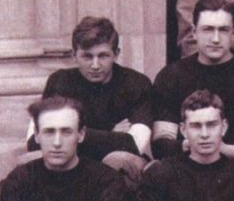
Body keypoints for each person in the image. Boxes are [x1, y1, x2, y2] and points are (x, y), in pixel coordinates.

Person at [152, 0, 234, 180]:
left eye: (223, 30)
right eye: (208, 29)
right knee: (155, 171)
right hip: (187, 158)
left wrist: (227, 150)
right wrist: (195, 147)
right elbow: (162, 143)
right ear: (194, 32)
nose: (216, 38)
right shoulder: (171, 75)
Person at [27, 16, 152, 186]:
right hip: (72, 162)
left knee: (117, 160)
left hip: (118, 166)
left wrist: (72, 134)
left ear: (116, 54)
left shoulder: (136, 83)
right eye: (87, 56)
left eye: (103, 56)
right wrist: (112, 133)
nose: (95, 65)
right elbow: (34, 141)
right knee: (32, 160)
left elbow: (133, 144)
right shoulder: (59, 82)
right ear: (74, 55)